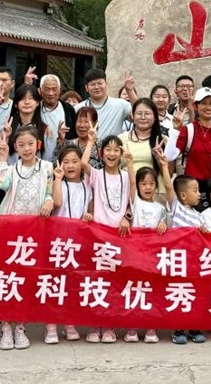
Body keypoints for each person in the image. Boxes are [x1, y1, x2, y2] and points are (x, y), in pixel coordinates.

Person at [0, 122, 55, 351]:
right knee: (8, 278)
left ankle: (21, 326)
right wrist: (2, 158)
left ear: (37, 144)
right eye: (21, 145)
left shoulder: (47, 167)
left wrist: (49, 201)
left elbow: (50, 192)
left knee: (26, 279)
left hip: (34, 232)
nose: (26, 148)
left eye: (30, 144)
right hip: (9, 231)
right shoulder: (12, 169)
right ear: (16, 147)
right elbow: (0, 183)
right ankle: (5, 327)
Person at [80, 134, 135, 344]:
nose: (112, 153)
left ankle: (110, 324)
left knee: (115, 282)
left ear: (121, 154)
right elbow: (83, 163)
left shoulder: (125, 176)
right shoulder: (96, 174)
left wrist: (127, 217)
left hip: (119, 237)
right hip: (98, 237)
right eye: (108, 149)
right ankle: (95, 323)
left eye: (116, 150)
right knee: (97, 281)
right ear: (102, 154)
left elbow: (132, 195)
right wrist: (91, 141)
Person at [49, 144, 90, 344]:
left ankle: (69, 322)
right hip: (58, 242)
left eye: (75, 161)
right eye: (66, 162)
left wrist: (89, 215)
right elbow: (57, 203)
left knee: (72, 284)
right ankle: (51, 324)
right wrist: (57, 179)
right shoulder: (58, 183)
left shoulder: (87, 186)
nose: (71, 166)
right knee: (55, 283)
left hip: (78, 243)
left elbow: (89, 210)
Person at [165, 87, 211, 208]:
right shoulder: (188, 130)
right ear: (195, 106)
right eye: (204, 103)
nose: (208, 107)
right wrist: (175, 129)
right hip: (193, 192)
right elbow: (169, 156)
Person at [127, 164, 171, 344]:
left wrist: (163, 225)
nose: (147, 187)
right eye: (143, 183)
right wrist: (130, 164)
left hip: (153, 257)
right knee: (134, 290)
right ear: (137, 185)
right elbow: (130, 182)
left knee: (151, 290)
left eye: (151, 183)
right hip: (134, 255)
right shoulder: (134, 203)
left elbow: (166, 229)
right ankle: (132, 326)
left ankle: (151, 327)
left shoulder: (160, 209)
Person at [168, 175, 207, 346]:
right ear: (183, 195)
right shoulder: (176, 207)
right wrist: (164, 167)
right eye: (195, 190)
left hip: (194, 263)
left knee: (194, 295)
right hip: (178, 263)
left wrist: (206, 232)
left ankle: (194, 327)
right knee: (179, 294)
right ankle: (177, 329)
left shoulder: (200, 217)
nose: (199, 194)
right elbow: (169, 187)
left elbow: (206, 241)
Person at [120, 97, 167, 200]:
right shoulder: (121, 139)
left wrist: (158, 159)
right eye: (139, 113)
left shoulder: (163, 141)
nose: (143, 117)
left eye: (147, 113)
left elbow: (169, 173)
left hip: (156, 194)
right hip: (127, 192)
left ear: (155, 117)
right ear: (132, 115)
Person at [81, 68, 134, 141]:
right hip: (87, 147)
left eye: (100, 83)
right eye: (93, 84)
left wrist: (130, 90)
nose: (97, 87)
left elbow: (138, 112)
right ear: (86, 88)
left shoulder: (121, 105)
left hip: (112, 147)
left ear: (106, 84)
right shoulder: (79, 108)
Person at [38, 73, 74, 157]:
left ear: (60, 90)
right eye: (47, 89)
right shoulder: (35, 109)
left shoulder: (68, 109)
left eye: (54, 89)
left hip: (63, 159)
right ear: (40, 91)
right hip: (39, 160)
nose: (51, 93)